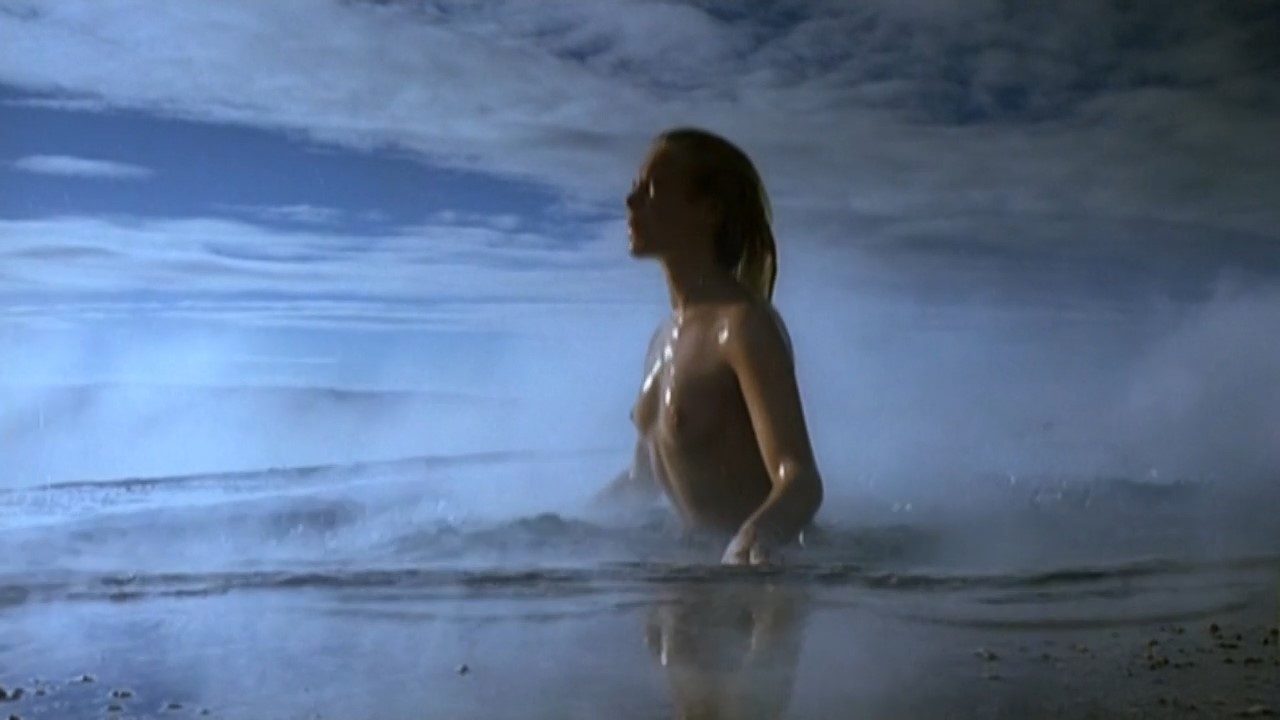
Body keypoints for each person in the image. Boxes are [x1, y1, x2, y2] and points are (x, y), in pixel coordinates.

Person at [595, 127, 824, 565]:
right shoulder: (662, 339)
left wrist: (755, 538)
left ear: (709, 210)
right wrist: (551, 532)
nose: (631, 201)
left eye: (652, 189)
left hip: (756, 580)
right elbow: (641, 482)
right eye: (634, 188)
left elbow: (799, 480)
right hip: (696, 579)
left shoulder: (743, 327)